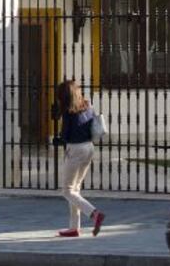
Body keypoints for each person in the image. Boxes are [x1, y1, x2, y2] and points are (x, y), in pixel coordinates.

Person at [56, 79, 105, 238]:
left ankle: (94, 213)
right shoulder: (87, 105)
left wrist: (57, 139)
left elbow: (65, 136)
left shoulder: (69, 111)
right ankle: (74, 228)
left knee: (67, 191)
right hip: (89, 148)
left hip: (75, 149)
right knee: (75, 189)